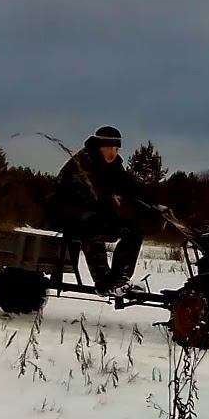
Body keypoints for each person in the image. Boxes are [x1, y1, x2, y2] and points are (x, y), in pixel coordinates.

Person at [46, 125, 150, 297]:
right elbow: (76, 196)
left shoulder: (114, 165)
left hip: (95, 214)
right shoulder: (82, 164)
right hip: (66, 213)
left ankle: (119, 279)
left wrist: (146, 203)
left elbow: (128, 187)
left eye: (116, 149)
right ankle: (103, 282)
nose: (113, 153)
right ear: (100, 147)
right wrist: (106, 209)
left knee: (134, 230)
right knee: (93, 226)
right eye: (109, 148)